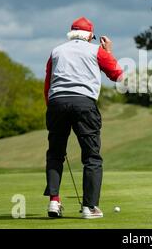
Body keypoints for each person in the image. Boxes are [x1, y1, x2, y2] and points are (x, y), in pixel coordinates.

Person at [43, 16, 123, 218]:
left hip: (56, 103)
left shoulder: (56, 51)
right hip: (84, 104)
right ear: (90, 36)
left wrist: (52, 108)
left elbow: (47, 83)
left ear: (72, 34)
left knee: (55, 154)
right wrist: (108, 52)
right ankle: (90, 207)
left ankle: (54, 201)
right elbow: (117, 74)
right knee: (92, 156)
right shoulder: (96, 50)